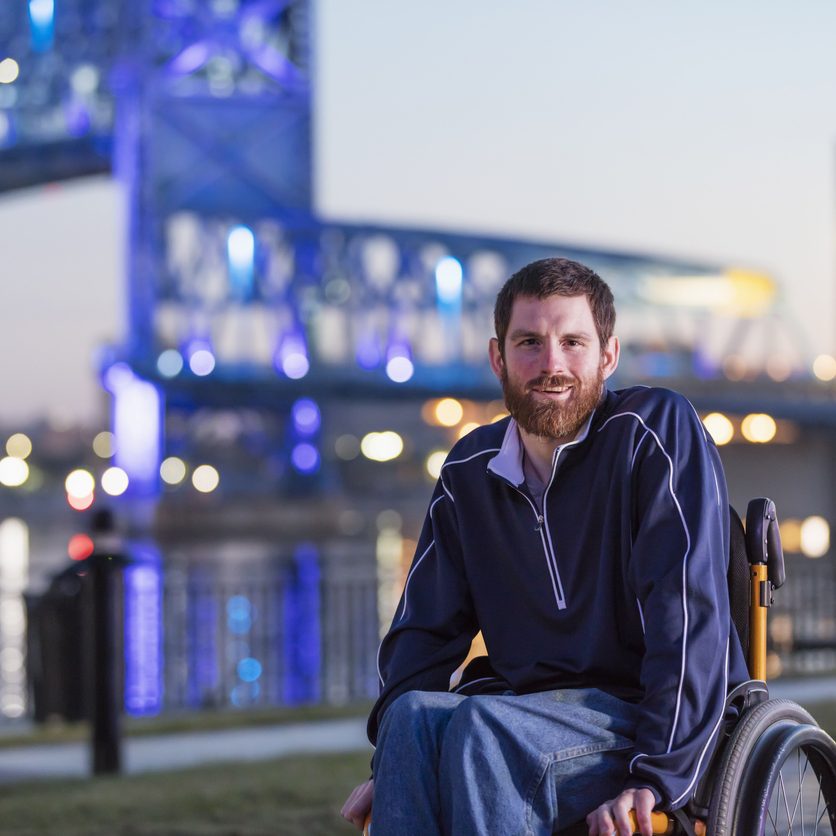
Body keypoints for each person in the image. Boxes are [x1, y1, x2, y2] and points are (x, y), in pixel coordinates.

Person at [341, 257, 749, 835]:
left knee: (483, 731)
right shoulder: (468, 471)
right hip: (526, 714)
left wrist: (658, 773)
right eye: (529, 342)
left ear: (608, 356)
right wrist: (394, 764)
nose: (551, 365)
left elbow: (687, 615)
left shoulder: (653, 431)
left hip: (643, 720)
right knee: (410, 719)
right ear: (498, 358)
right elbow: (423, 632)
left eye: (573, 342)